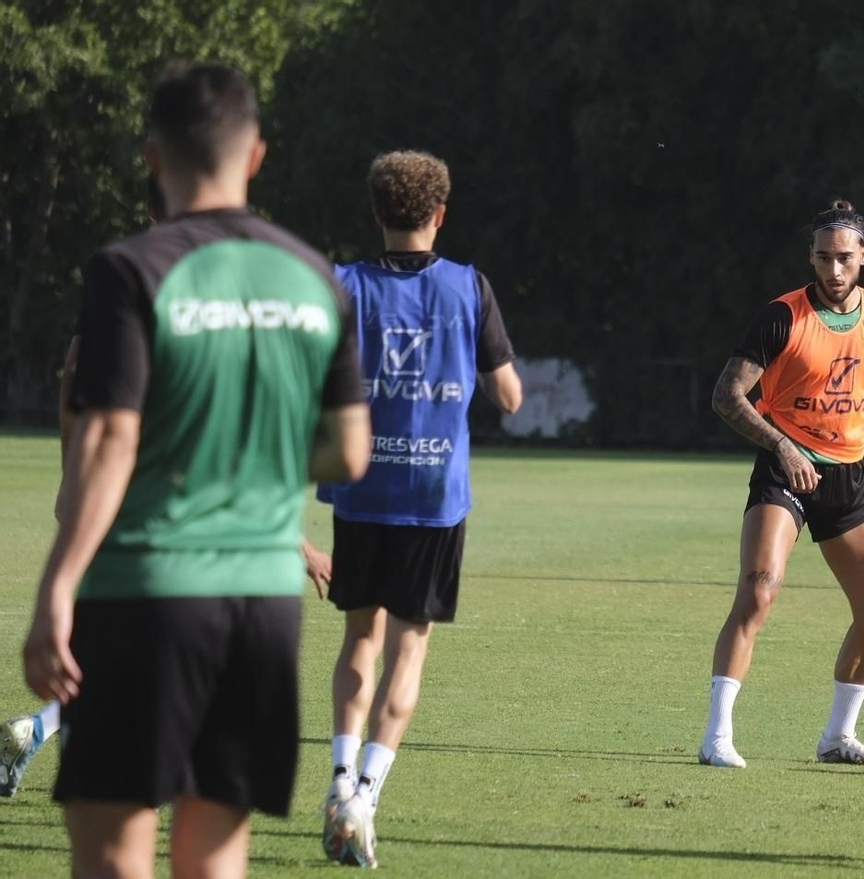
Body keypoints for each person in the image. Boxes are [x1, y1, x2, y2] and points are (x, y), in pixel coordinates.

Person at [20, 61, 370, 878]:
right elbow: (350, 450)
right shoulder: (315, 275)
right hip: (261, 609)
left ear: (152, 156)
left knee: (114, 855)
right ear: (255, 156)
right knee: (215, 860)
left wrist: (56, 589)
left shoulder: (131, 268)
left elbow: (109, 439)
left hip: (146, 593)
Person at [2, 174, 336, 799]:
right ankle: (57, 738)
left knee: (109, 654)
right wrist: (304, 547)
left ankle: (41, 730)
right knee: (169, 678)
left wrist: (72, 467)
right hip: (187, 526)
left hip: (105, 501)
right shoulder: (229, 295)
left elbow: (74, 380)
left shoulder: (118, 279)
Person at [317, 150, 522, 867]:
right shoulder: (469, 287)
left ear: (378, 212)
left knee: (358, 642)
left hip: (360, 489)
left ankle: (338, 778)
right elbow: (509, 396)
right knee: (409, 648)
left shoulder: (342, 284)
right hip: (435, 498)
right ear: (440, 213)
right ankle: (366, 795)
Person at [698, 199, 864, 770]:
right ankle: (716, 738)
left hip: (846, 477)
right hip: (785, 469)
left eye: (845, 259)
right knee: (758, 591)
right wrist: (781, 444)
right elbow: (726, 395)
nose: (833, 271)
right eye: (824, 258)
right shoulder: (781, 316)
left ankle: (837, 737)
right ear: (811, 256)